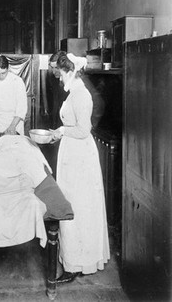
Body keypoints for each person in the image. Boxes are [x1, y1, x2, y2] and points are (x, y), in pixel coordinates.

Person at [50, 53, 110, 283]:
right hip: (72, 154)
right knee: (72, 203)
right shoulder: (73, 93)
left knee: (78, 206)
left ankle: (77, 263)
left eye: (59, 73)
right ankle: (71, 258)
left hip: (80, 158)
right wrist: (60, 132)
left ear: (69, 72)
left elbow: (83, 130)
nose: (57, 78)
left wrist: (62, 131)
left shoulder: (81, 95)